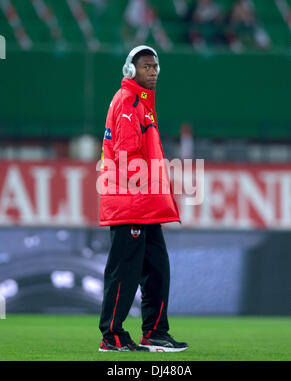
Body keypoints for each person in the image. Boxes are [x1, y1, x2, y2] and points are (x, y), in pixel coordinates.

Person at [98, 45, 188, 352]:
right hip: (131, 204)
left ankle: (155, 332)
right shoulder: (127, 102)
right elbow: (125, 156)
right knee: (125, 270)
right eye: (146, 67)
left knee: (157, 269)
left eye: (155, 67)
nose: (153, 72)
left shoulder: (142, 104)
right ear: (130, 70)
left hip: (144, 204)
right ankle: (111, 336)